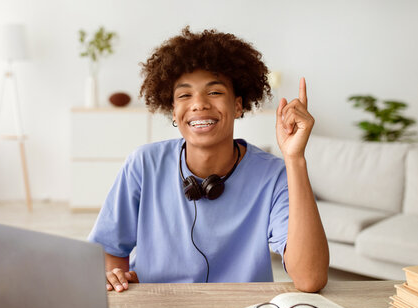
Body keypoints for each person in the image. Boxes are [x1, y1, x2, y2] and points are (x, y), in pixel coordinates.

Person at [88, 27, 329, 293]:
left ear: (237, 106)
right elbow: (110, 251)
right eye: (184, 95)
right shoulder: (143, 164)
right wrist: (116, 278)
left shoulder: (274, 175)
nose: (199, 104)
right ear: (172, 110)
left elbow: (310, 279)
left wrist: (294, 159)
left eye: (214, 92)